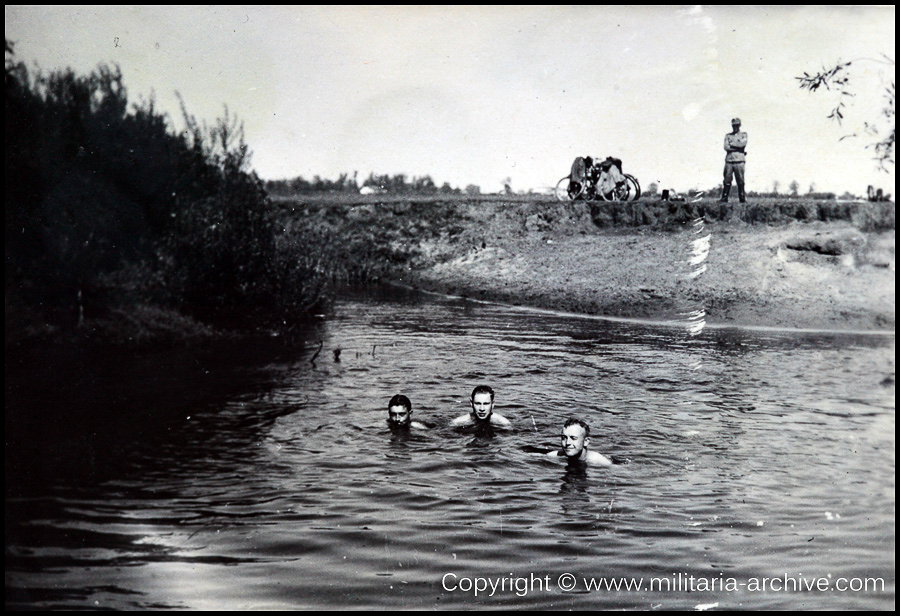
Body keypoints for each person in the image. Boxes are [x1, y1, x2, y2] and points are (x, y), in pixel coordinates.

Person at [547, 417, 612, 466]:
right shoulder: (554, 455)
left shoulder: (601, 462)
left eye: (573, 438)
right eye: (564, 438)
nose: (567, 443)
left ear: (586, 441)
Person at [719, 117, 747, 203]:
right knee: (727, 180)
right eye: (734, 126)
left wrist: (732, 144)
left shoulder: (743, 135)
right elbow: (726, 147)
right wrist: (738, 148)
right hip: (729, 161)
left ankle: (742, 199)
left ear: (739, 125)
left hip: (739, 161)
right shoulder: (728, 136)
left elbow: (743, 144)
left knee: (740, 180)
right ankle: (724, 198)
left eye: (737, 125)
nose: (735, 127)